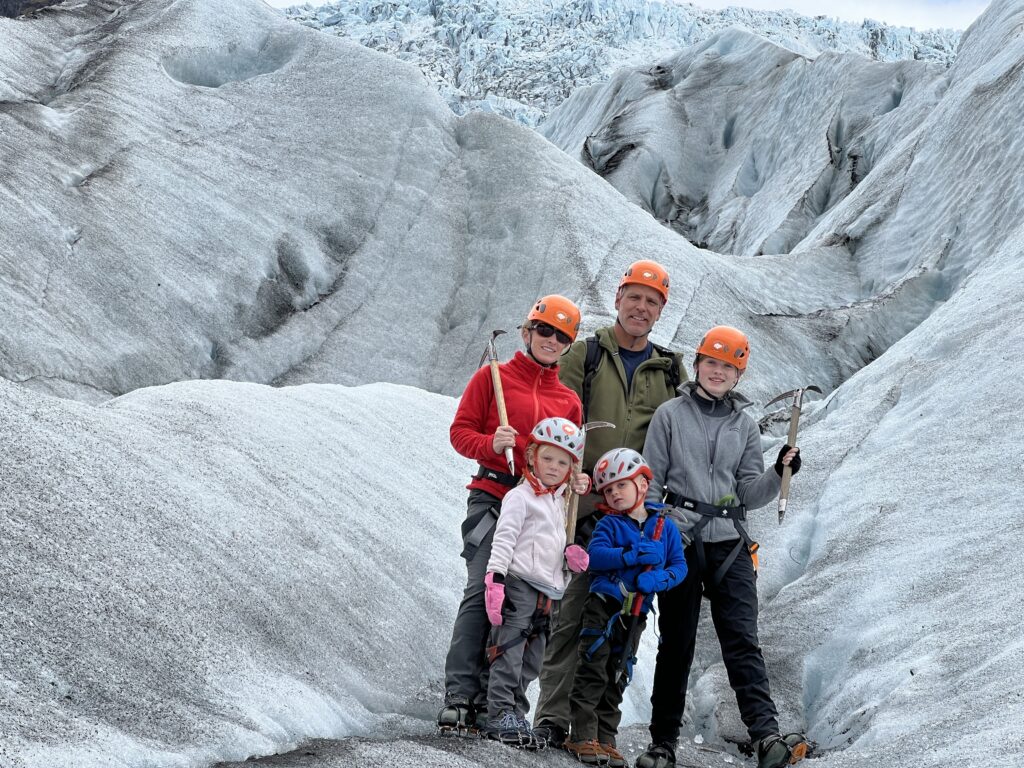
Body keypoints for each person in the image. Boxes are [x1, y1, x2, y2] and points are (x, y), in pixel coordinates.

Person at [635, 326, 807, 768]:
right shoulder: (670, 415)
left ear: (738, 374)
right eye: (711, 362)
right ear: (697, 365)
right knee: (677, 643)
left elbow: (750, 493)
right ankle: (663, 742)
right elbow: (651, 481)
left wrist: (779, 471)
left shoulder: (745, 426)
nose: (717, 371)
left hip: (731, 540)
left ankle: (766, 735)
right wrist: (653, 532)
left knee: (742, 640)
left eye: (728, 366)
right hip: (681, 538)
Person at [533, 259, 685, 749]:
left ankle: (597, 730)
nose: (641, 307)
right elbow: (560, 415)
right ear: (618, 299)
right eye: (635, 297)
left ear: (661, 311)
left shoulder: (669, 370)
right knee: (573, 616)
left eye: (652, 301)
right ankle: (553, 718)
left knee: (621, 627)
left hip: (636, 518)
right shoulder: (587, 355)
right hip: (583, 507)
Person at [438, 295, 590, 734]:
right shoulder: (494, 379)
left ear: (569, 344)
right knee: (483, 592)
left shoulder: (569, 401)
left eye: (562, 335)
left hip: (544, 512)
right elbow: (460, 433)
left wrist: (575, 483)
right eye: (545, 330)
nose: (551, 340)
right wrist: (491, 444)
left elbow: (569, 461)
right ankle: (460, 694)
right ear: (527, 332)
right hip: (494, 497)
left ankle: (495, 703)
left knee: (528, 611)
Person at [564, 448, 687, 767]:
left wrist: (658, 579)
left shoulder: (665, 528)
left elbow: (679, 567)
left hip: (637, 613)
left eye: (622, 485)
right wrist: (630, 556)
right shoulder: (609, 525)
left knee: (619, 671)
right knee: (594, 665)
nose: (615, 493)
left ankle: (606, 738)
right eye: (608, 489)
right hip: (604, 607)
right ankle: (582, 735)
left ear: (643, 484)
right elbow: (594, 558)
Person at [481, 417, 592, 748]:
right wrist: (495, 578)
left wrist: (568, 562)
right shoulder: (521, 497)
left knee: (533, 658)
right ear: (531, 457)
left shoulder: (560, 502)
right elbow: (504, 539)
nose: (554, 467)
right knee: (510, 649)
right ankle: (498, 712)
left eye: (563, 462)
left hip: (549, 592)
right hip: (519, 584)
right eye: (548, 458)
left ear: (571, 468)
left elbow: (551, 546)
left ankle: (517, 711)